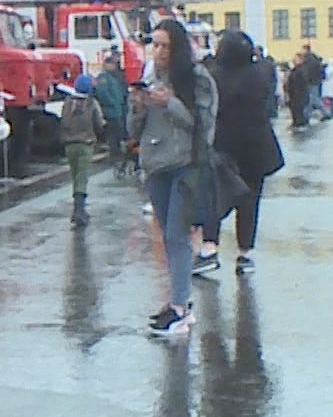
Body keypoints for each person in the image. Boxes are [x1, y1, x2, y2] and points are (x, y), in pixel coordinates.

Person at [129, 19, 218, 337]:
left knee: (177, 233)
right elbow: (132, 130)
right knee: (168, 235)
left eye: (165, 45)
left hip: (186, 163)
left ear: (177, 47)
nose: (159, 51)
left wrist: (170, 103)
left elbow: (203, 125)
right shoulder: (148, 75)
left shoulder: (197, 78)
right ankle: (179, 303)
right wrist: (137, 107)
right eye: (155, 44)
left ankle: (180, 307)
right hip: (155, 165)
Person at [198, 30, 283, 275]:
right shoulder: (262, 74)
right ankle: (245, 254)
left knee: (213, 196)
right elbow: (266, 70)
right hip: (256, 146)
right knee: (250, 200)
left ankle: (209, 248)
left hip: (222, 143)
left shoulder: (213, 76)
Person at [59, 73, 105, 227]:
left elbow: (63, 121)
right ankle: (79, 210)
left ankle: (77, 208)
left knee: (75, 176)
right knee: (82, 177)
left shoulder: (67, 102)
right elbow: (99, 123)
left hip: (69, 145)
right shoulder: (92, 103)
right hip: (85, 144)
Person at [93, 49, 129, 171]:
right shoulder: (103, 77)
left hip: (117, 109)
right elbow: (103, 93)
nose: (114, 66)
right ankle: (114, 154)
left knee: (118, 132)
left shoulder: (114, 77)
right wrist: (112, 103)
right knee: (113, 133)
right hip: (110, 111)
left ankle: (117, 151)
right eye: (111, 63)